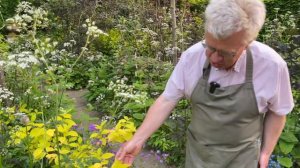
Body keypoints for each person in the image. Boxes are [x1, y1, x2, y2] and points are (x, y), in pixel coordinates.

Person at [115, 0, 295, 167]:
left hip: (244, 158)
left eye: (226, 53)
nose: (215, 58)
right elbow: (167, 99)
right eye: (210, 46)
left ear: (247, 44)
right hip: (198, 156)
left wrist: (265, 154)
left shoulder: (271, 66)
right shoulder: (192, 56)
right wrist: (137, 140)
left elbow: (278, 112)